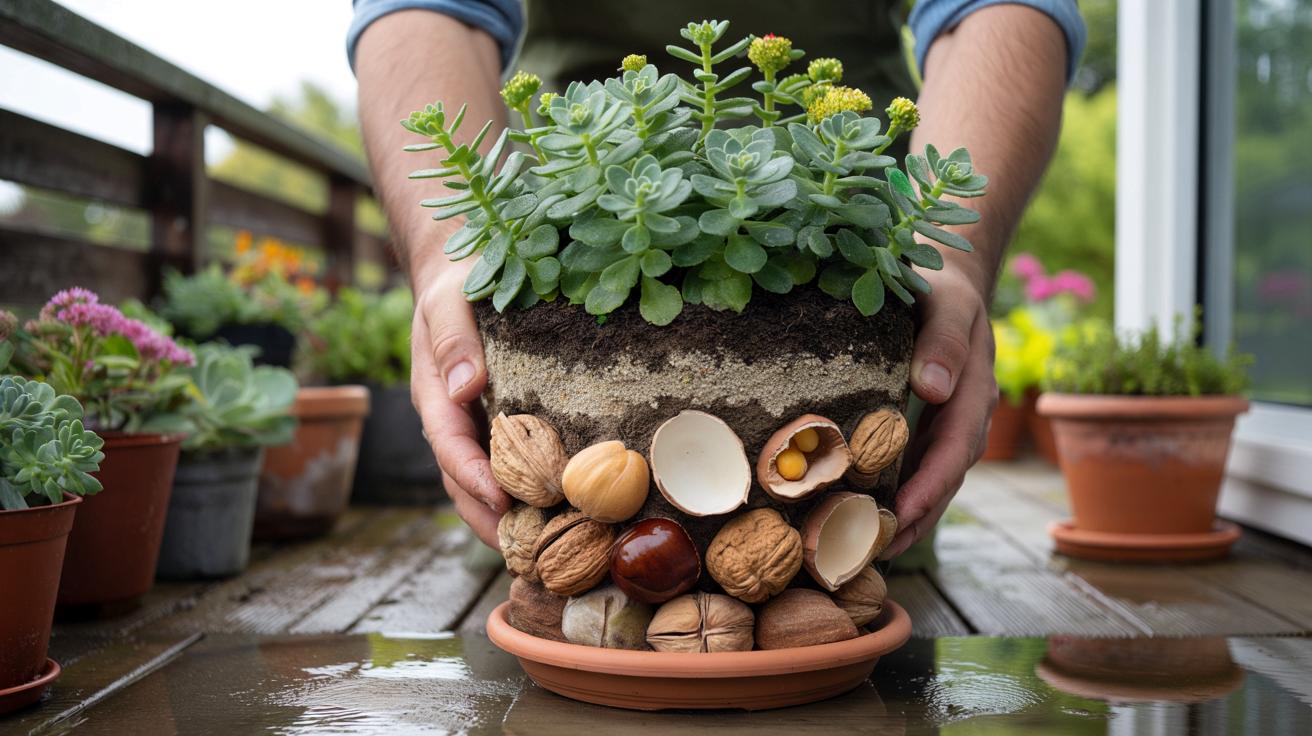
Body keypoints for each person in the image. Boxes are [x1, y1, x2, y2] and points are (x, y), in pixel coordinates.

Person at [349, 0, 1085, 557]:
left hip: (859, 241)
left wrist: (951, 255)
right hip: (569, 224)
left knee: (851, 590)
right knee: (561, 599)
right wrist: (452, 256)